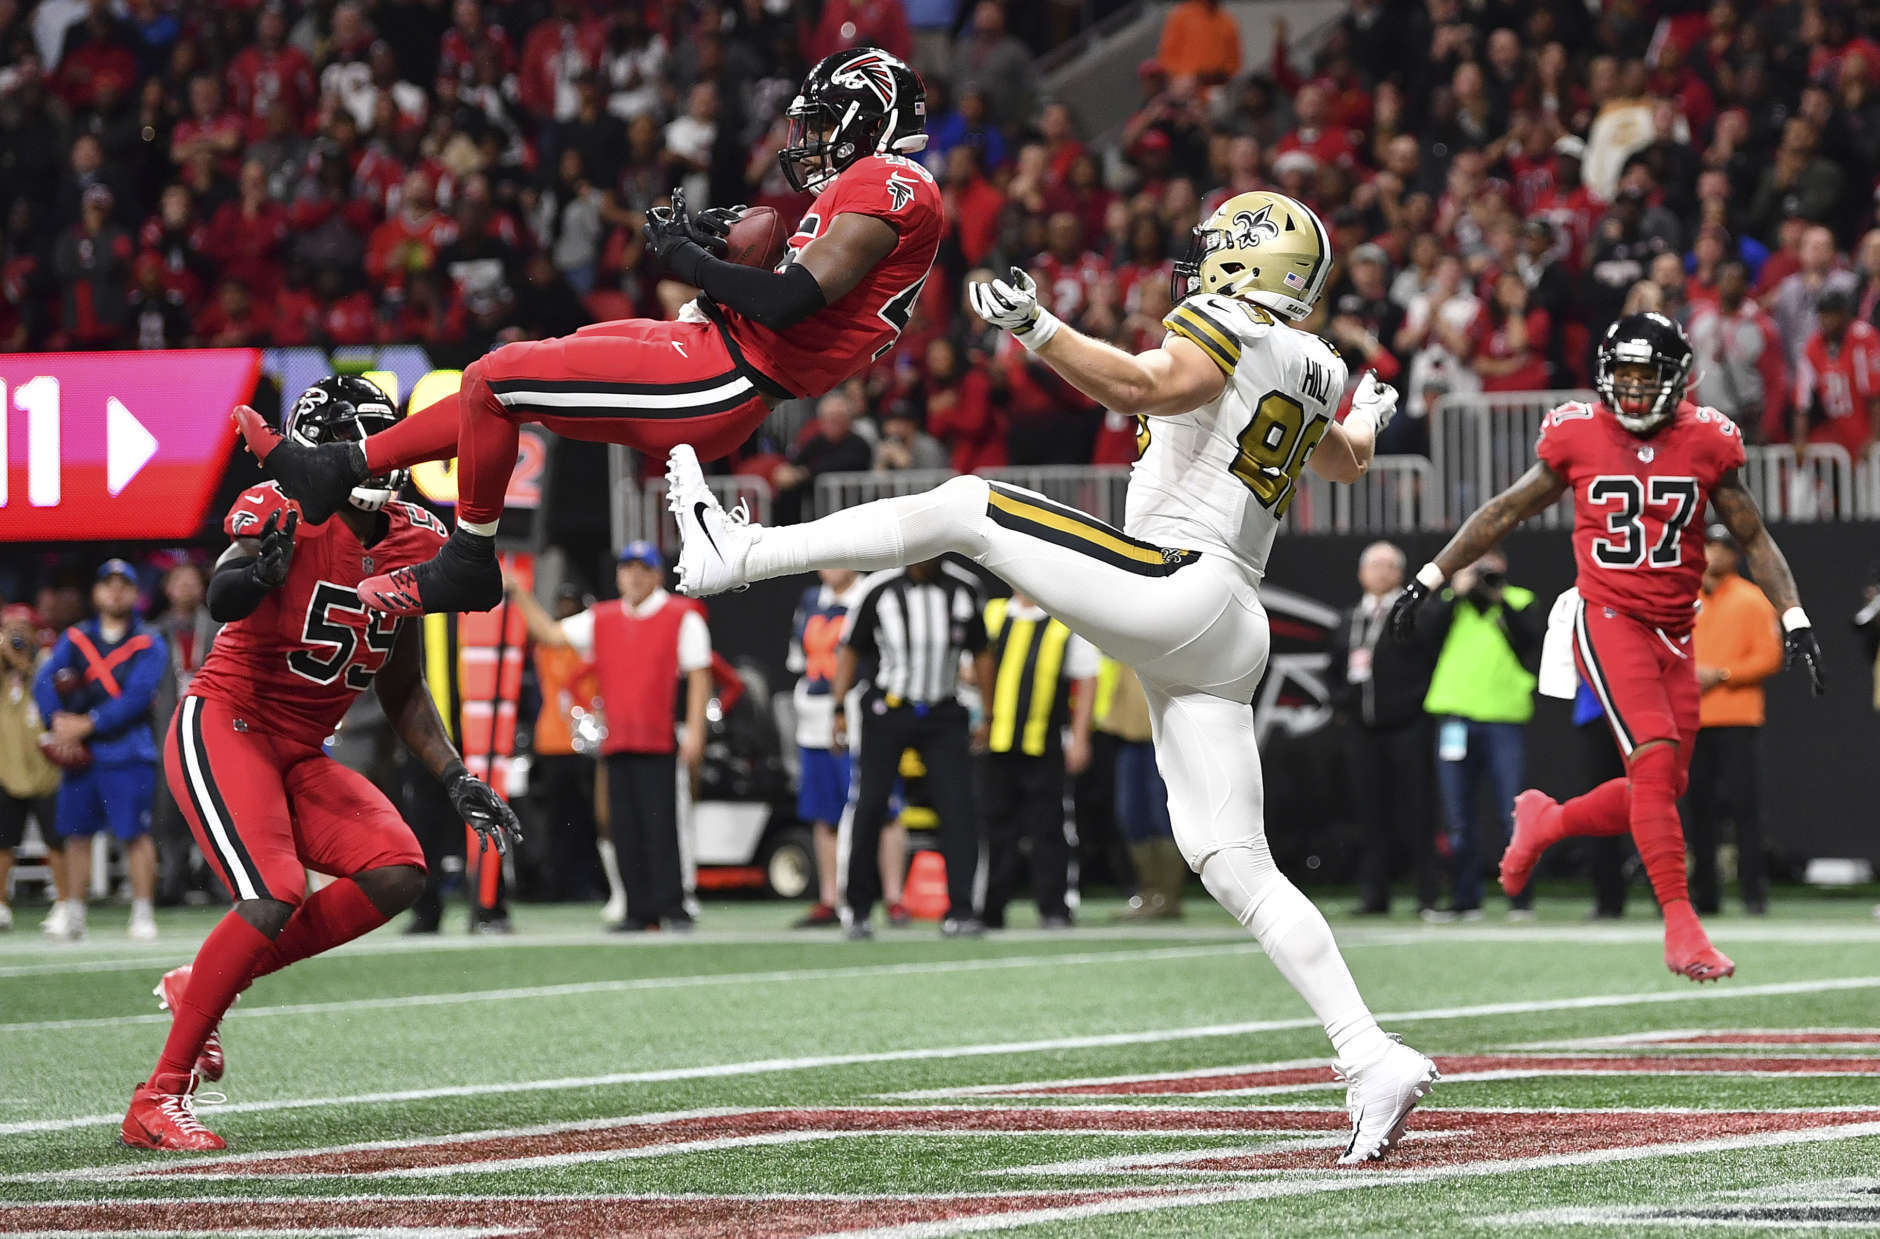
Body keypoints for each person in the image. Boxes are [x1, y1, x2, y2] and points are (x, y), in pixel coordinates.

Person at [667, 189, 1439, 1165]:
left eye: (1217, 248)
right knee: (1232, 860)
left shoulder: (1230, 324)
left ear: (1249, 260)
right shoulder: (1313, 358)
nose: (1199, 261)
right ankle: (1368, 1052)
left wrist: (1039, 329)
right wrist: (1365, 411)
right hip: (1227, 624)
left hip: (1179, 584)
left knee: (968, 505)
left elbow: (1146, 385)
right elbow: (1345, 462)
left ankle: (740, 552)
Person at [234, 49, 943, 619]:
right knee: (502, 380)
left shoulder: (894, 181)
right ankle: (342, 466)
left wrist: (691, 259)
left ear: (869, 121)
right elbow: (793, 283)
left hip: (723, 374)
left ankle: (467, 559)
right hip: (715, 348)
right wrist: (724, 243)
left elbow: (789, 301)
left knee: (496, 379)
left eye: (824, 123)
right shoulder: (878, 187)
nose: (810, 141)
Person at [121, 376, 522, 1151]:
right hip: (229, 721)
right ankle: (157, 1096)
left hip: (300, 749)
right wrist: (259, 573)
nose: (371, 456)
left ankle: (203, 981)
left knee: (398, 869)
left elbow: (402, 687)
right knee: (275, 889)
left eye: (375, 438)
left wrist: (455, 775)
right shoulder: (282, 507)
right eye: (349, 440)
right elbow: (223, 594)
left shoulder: (415, 535)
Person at [1389, 313, 1826, 983]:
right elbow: (1505, 509)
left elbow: (1753, 537)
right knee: (1653, 761)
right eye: (1622, 373)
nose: (1632, 387)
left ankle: (1547, 821)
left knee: (1666, 786)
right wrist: (1430, 575)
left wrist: (1793, 615)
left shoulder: (1708, 439)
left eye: (1646, 375)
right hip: (1609, 616)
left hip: (1677, 629)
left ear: (1677, 379)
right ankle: (1681, 926)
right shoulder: (1578, 432)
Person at [507, 542, 710, 932]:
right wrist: (518, 592)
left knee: (664, 825)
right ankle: (639, 909)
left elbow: (700, 674)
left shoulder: (680, 616)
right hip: (617, 741)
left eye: (642, 569)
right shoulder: (603, 618)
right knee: (625, 828)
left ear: (657, 575)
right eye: (627, 569)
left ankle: (674, 905)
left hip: (659, 739)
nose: (633, 577)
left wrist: (696, 730)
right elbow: (549, 634)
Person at [826, 558, 992, 939]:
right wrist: (838, 709)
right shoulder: (879, 589)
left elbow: (982, 651)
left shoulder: (964, 589)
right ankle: (858, 908)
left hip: (944, 709)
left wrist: (988, 713)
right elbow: (850, 649)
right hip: (889, 708)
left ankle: (963, 909)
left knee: (959, 809)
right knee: (870, 804)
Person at [33, 559, 169, 943]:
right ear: (96, 592)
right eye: (108, 584)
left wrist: (86, 723)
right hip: (81, 753)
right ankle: (73, 911)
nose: (115, 592)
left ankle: (142, 911)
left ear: (135, 593)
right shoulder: (76, 636)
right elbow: (43, 682)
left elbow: (138, 697)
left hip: (128, 751)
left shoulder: (149, 641)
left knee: (136, 834)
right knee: (76, 835)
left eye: (123, 585)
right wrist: (58, 723)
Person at [1417, 550, 1541, 921]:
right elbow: (1425, 637)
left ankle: (1520, 898)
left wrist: (1498, 599)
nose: (1483, 575)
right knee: (1458, 816)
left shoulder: (1519, 600)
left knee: (1511, 812)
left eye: (1490, 568)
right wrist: (1456, 593)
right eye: (1477, 568)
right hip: (1455, 717)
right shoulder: (1451, 603)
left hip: (1503, 718)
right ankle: (1465, 899)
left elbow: (1528, 641)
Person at [1326, 542, 1438, 917]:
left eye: (1389, 565)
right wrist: (1343, 704)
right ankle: (1374, 895)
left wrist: (1413, 704)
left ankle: (1427, 894)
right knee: (1368, 812)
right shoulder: (1349, 618)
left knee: (1418, 809)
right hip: (1362, 729)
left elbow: (1429, 662)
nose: (1380, 572)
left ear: (1400, 573)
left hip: (1408, 726)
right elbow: (1334, 668)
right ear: (1361, 573)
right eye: (1374, 565)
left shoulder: (1415, 613)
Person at [978, 590, 1097, 930]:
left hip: (1044, 741)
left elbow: (1087, 679)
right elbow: (971, 666)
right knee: (995, 826)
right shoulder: (992, 613)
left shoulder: (1063, 620)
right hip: (995, 740)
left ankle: (1054, 907)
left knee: (1049, 828)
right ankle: (990, 907)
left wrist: (1080, 738)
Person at [1684, 525, 1783, 916]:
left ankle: (1753, 894)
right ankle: (1705, 895)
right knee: (1698, 809)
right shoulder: (1683, 598)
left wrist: (1722, 674)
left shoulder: (1753, 599)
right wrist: (1688, 675)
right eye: (1707, 546)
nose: (1713, 554)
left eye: (1721, 547)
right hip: (1693, 719)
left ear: (1735, 555)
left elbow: (1770, 656)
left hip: (1739, 717)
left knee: (1746, 808)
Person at [785, 567, 869, 928]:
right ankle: (830, 898)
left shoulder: (869, 593)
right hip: (814, 719)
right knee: (824, 812)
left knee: (875, 810)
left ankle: (888, 897)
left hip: (859, 715)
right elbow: (798, 660)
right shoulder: (810, 600)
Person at [1097, 657, 1182, 921]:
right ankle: (1147, 892)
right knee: (1130, 815)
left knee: (1162, 815)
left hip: (1166, 732)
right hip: (1128, 731)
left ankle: (1168, 896)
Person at [0, 605, 61, 933]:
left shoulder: (48, 660)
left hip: (46, 769)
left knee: (57, 841)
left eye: (22, 626)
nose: (16, 633)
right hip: (6, 768)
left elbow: (49, 695)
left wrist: (23, 664)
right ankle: (0, 904)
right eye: (8, 627)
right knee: (2, 842)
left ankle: (65, 903)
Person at [1793, 288, 1880, 459]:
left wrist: (1875, 438)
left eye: (1832, 315)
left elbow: (1876, 395)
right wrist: (1799, 440)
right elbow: (1802, 402)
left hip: (1866, 428)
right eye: (1823, 315)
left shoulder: (1863, 338)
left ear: (1844, 314)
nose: (1827, 321)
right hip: (1839, 434)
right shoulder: (1814, 345)